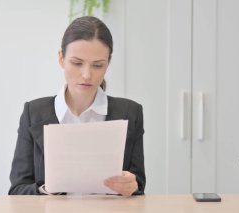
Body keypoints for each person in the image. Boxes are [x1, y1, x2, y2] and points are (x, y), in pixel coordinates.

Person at [8, 16, 145, 196]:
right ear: (61, 58)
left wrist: (131, 186)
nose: (87, 75)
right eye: (77, 63)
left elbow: (139, 186)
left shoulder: (130, 112)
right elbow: (17, 191)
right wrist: (48, 189)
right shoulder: (33, 113)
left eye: (97, 65)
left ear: (108, 63)